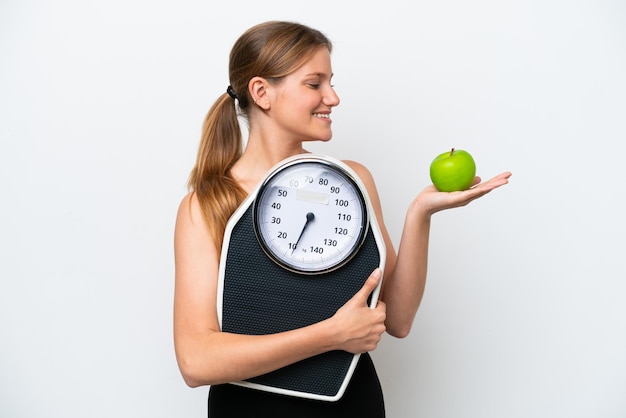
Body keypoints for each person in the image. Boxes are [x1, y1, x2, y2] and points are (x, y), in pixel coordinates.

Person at [173, 20, 511, 417]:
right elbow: (196, 362)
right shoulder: (209, 204)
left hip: (352, 404)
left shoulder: (351, 182)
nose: (332, 97)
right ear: (262, 92)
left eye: (331, 82)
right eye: (314, 84)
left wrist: (420, 214)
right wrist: (330, 335)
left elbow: (398, 319)